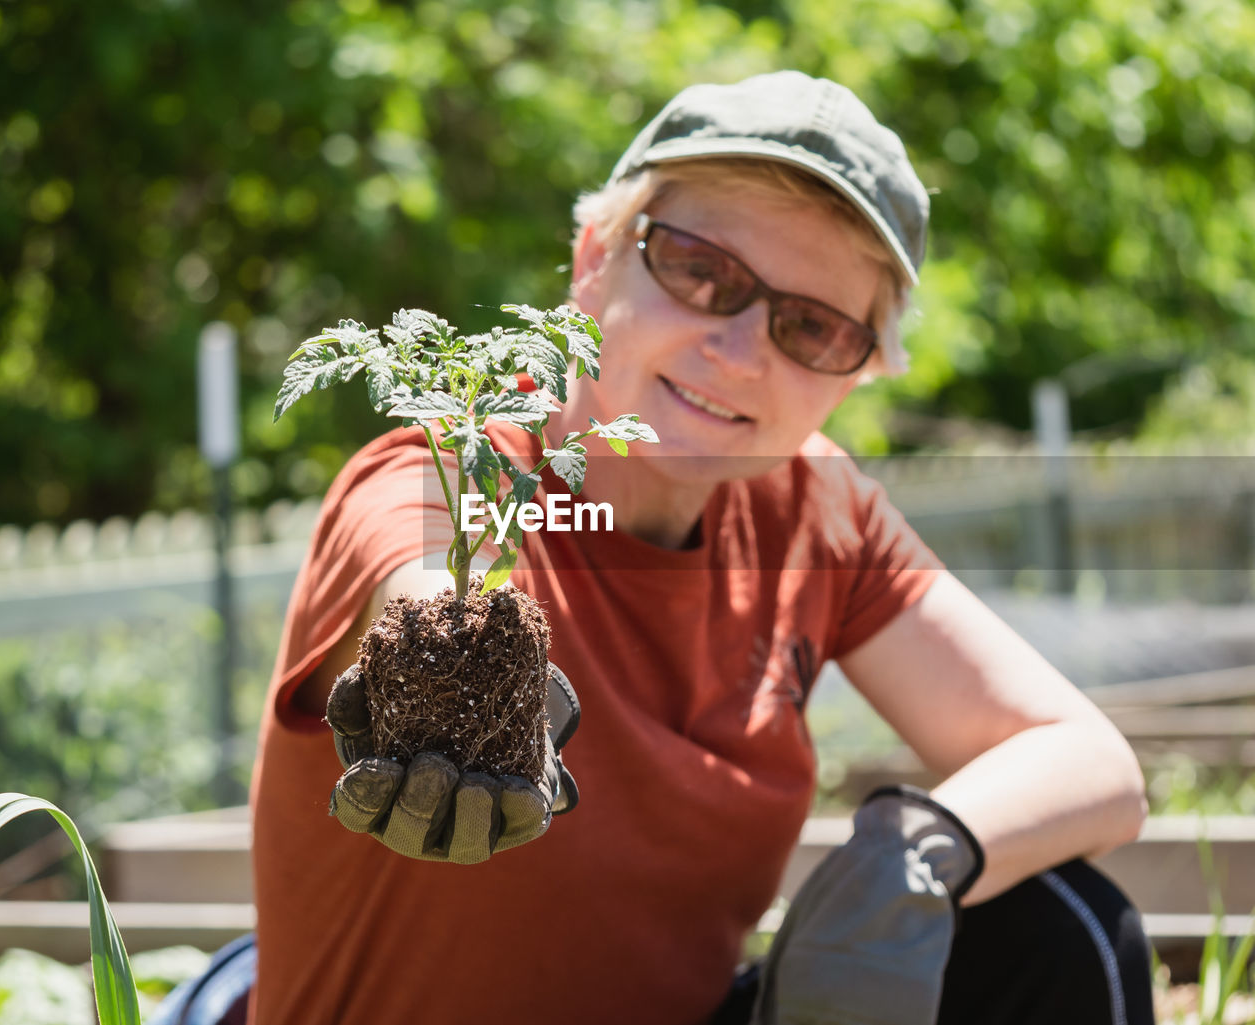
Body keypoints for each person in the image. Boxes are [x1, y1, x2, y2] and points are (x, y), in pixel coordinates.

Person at [221, 71, 1153, 1025]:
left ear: (859, 373)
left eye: (813, 328)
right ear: (595, 257)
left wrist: (914, 848)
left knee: (1058, 924)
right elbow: (414, 568)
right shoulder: (461, 467)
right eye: (702, 271)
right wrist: (445, 665)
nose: (742, 348)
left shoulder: (814, 513)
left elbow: (1088, 760)